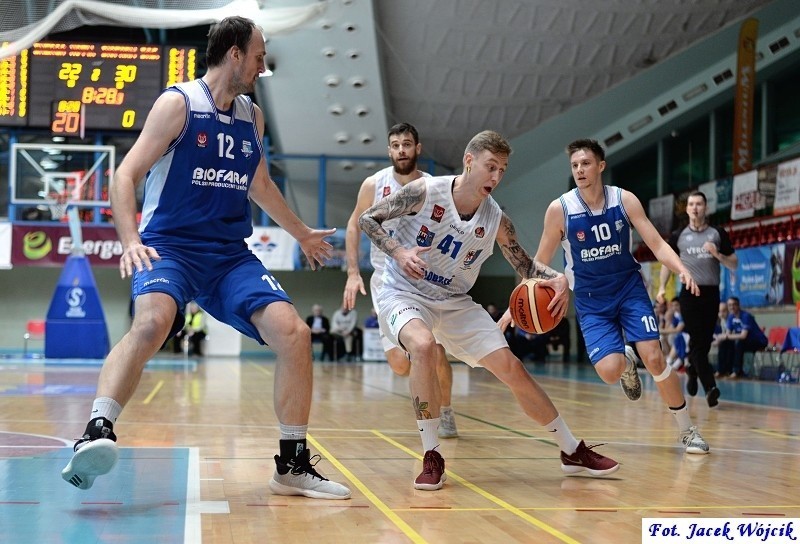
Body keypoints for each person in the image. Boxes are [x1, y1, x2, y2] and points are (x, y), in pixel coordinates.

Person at [60, 16, 350, 500]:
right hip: (169, 246)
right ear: (234, 53)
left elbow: (259, 184)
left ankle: (292, 464)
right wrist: (131, 239)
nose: (262, 66)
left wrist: (300, 233)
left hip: (229, 256)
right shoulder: (178, 104)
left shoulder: (251, 116)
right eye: (259, 56)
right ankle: (97, 429)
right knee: (152, 323)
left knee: (295, 335)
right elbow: (124, 175)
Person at [359, 130, 619, 490]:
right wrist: (399, 252)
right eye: (490, 167)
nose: (496, 177)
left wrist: (559, 278)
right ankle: (432, 453)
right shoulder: (425, 190)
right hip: (403, 292)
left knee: (512, 368)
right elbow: (368, 219)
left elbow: (525, 265)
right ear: (469, 161)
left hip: (454, 301)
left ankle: (571, 449)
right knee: (422, 347)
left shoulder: (495, 219)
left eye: (502, 170)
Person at [531, 138, 709, 455]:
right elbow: (539, 262)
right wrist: (514, 306)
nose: (579, 170)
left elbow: (656, 243)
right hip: (589, 298)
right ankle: (625, 361)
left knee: (654, 357)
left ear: (600, 166)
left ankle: (687, 431)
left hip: (628, 288)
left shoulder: (623, 200)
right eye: (574, 165)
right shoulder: (560, 210)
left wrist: (682, 268)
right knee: (609, 371)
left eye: (585, 163)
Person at [343, 122, 458, 439]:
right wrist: (353, 273)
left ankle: (445, 413)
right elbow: (354, 226)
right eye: (395, 145)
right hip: (387, 282)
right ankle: (414, 360)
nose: (401, 150)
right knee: (399, 363)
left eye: (407, 144)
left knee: (434, 352)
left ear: (417, 149)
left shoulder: (436, 187)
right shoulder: (374, 184)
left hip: (427, 281)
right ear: (389, 150)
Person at [657, 191, 736, 407]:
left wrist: (718, 255)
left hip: (711, 294)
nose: (695, 208)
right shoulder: (678, 235)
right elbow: (667, 263)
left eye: (699, 204)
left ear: (705, 207)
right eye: (691, 204)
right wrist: (662, 288)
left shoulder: (717, 233)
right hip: (689, 294)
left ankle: (692, 369)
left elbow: (734, 263)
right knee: (698, 340)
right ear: (687, 209)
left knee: (702, 342)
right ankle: (710, 387)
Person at [725, 296, 768, 378]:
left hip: (759, 341)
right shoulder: (731, 317)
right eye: (729, 305)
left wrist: (726, 336)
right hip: (745, 341)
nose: (732, 307)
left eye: (734, 305)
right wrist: (723, 338)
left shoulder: (746, 316)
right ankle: (724, 370)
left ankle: (737, 371)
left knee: (739, 343)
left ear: (738, 305)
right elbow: (728, 334)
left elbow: (743, 336)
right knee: (726, 343)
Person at [712, 302, 734, 377]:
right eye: (719, 311)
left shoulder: (731, 319)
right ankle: (721, 370)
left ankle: (727, 370)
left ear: (728, 311)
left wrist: (718, 340)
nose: (721, 314)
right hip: (726, 340)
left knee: (725, 345)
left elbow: (727, 334)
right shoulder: (721, 321)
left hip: (734, 340)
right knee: (722, 345)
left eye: (724, 311)